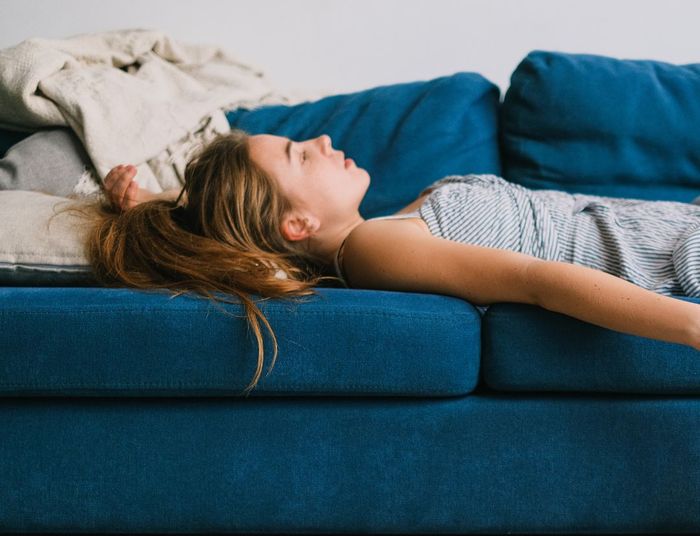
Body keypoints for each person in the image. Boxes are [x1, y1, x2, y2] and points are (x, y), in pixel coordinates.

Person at [3, 128, 700, 396]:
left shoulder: (384, 232)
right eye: (301, 155)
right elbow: (539, 281)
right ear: (296, 223)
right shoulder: (375, 249)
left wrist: (154, 199)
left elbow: (237, 217)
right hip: (677, 263)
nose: (326, 137)